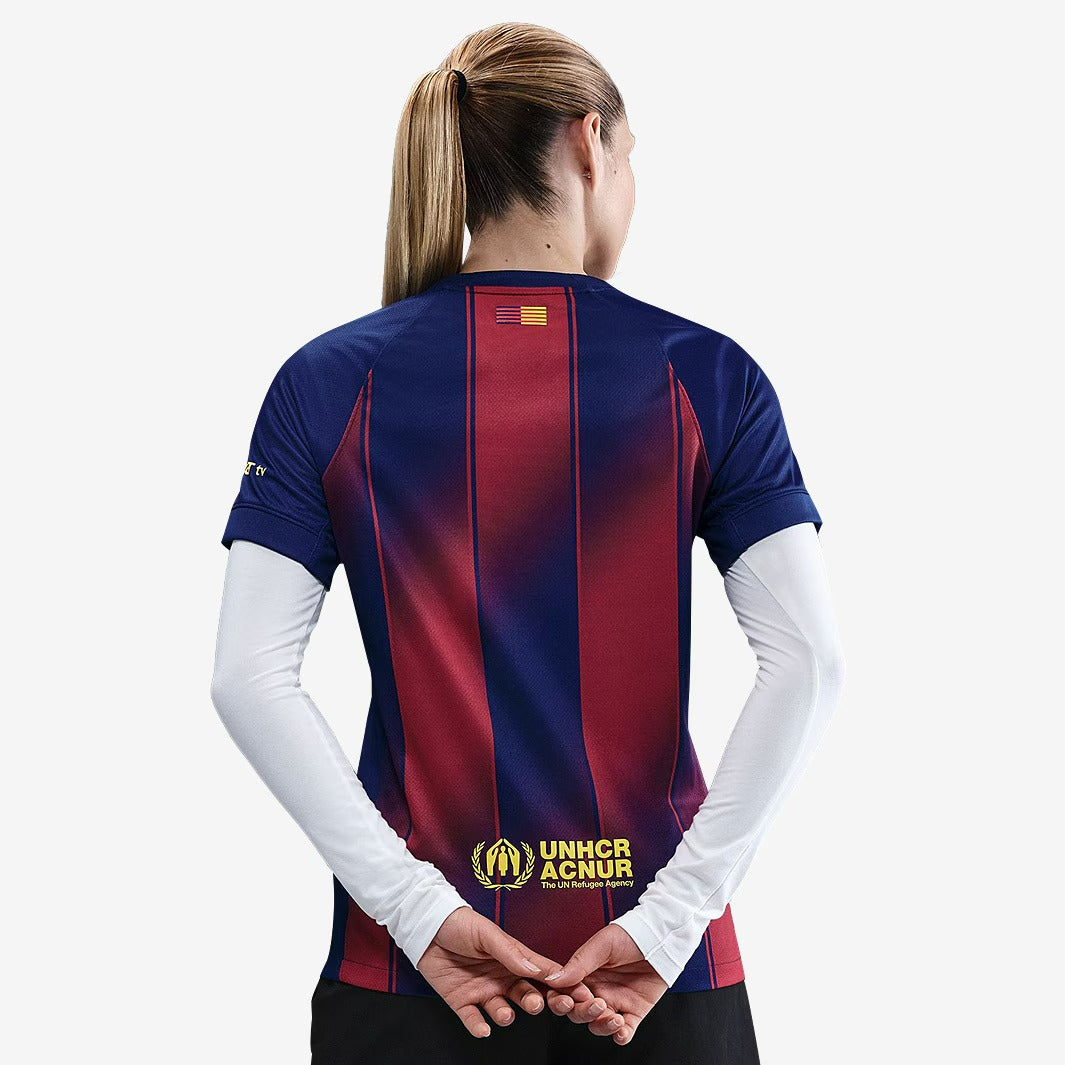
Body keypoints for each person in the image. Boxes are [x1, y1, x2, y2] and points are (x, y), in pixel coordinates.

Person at [210, 20, 846, 1065]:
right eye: (631, 156)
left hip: (410, 977)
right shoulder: (707, 375)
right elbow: (812, 661)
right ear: (590, 144)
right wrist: (670, 920)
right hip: (661, 983)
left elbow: (248, 676)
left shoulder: (328, 381)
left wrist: (415, 909)